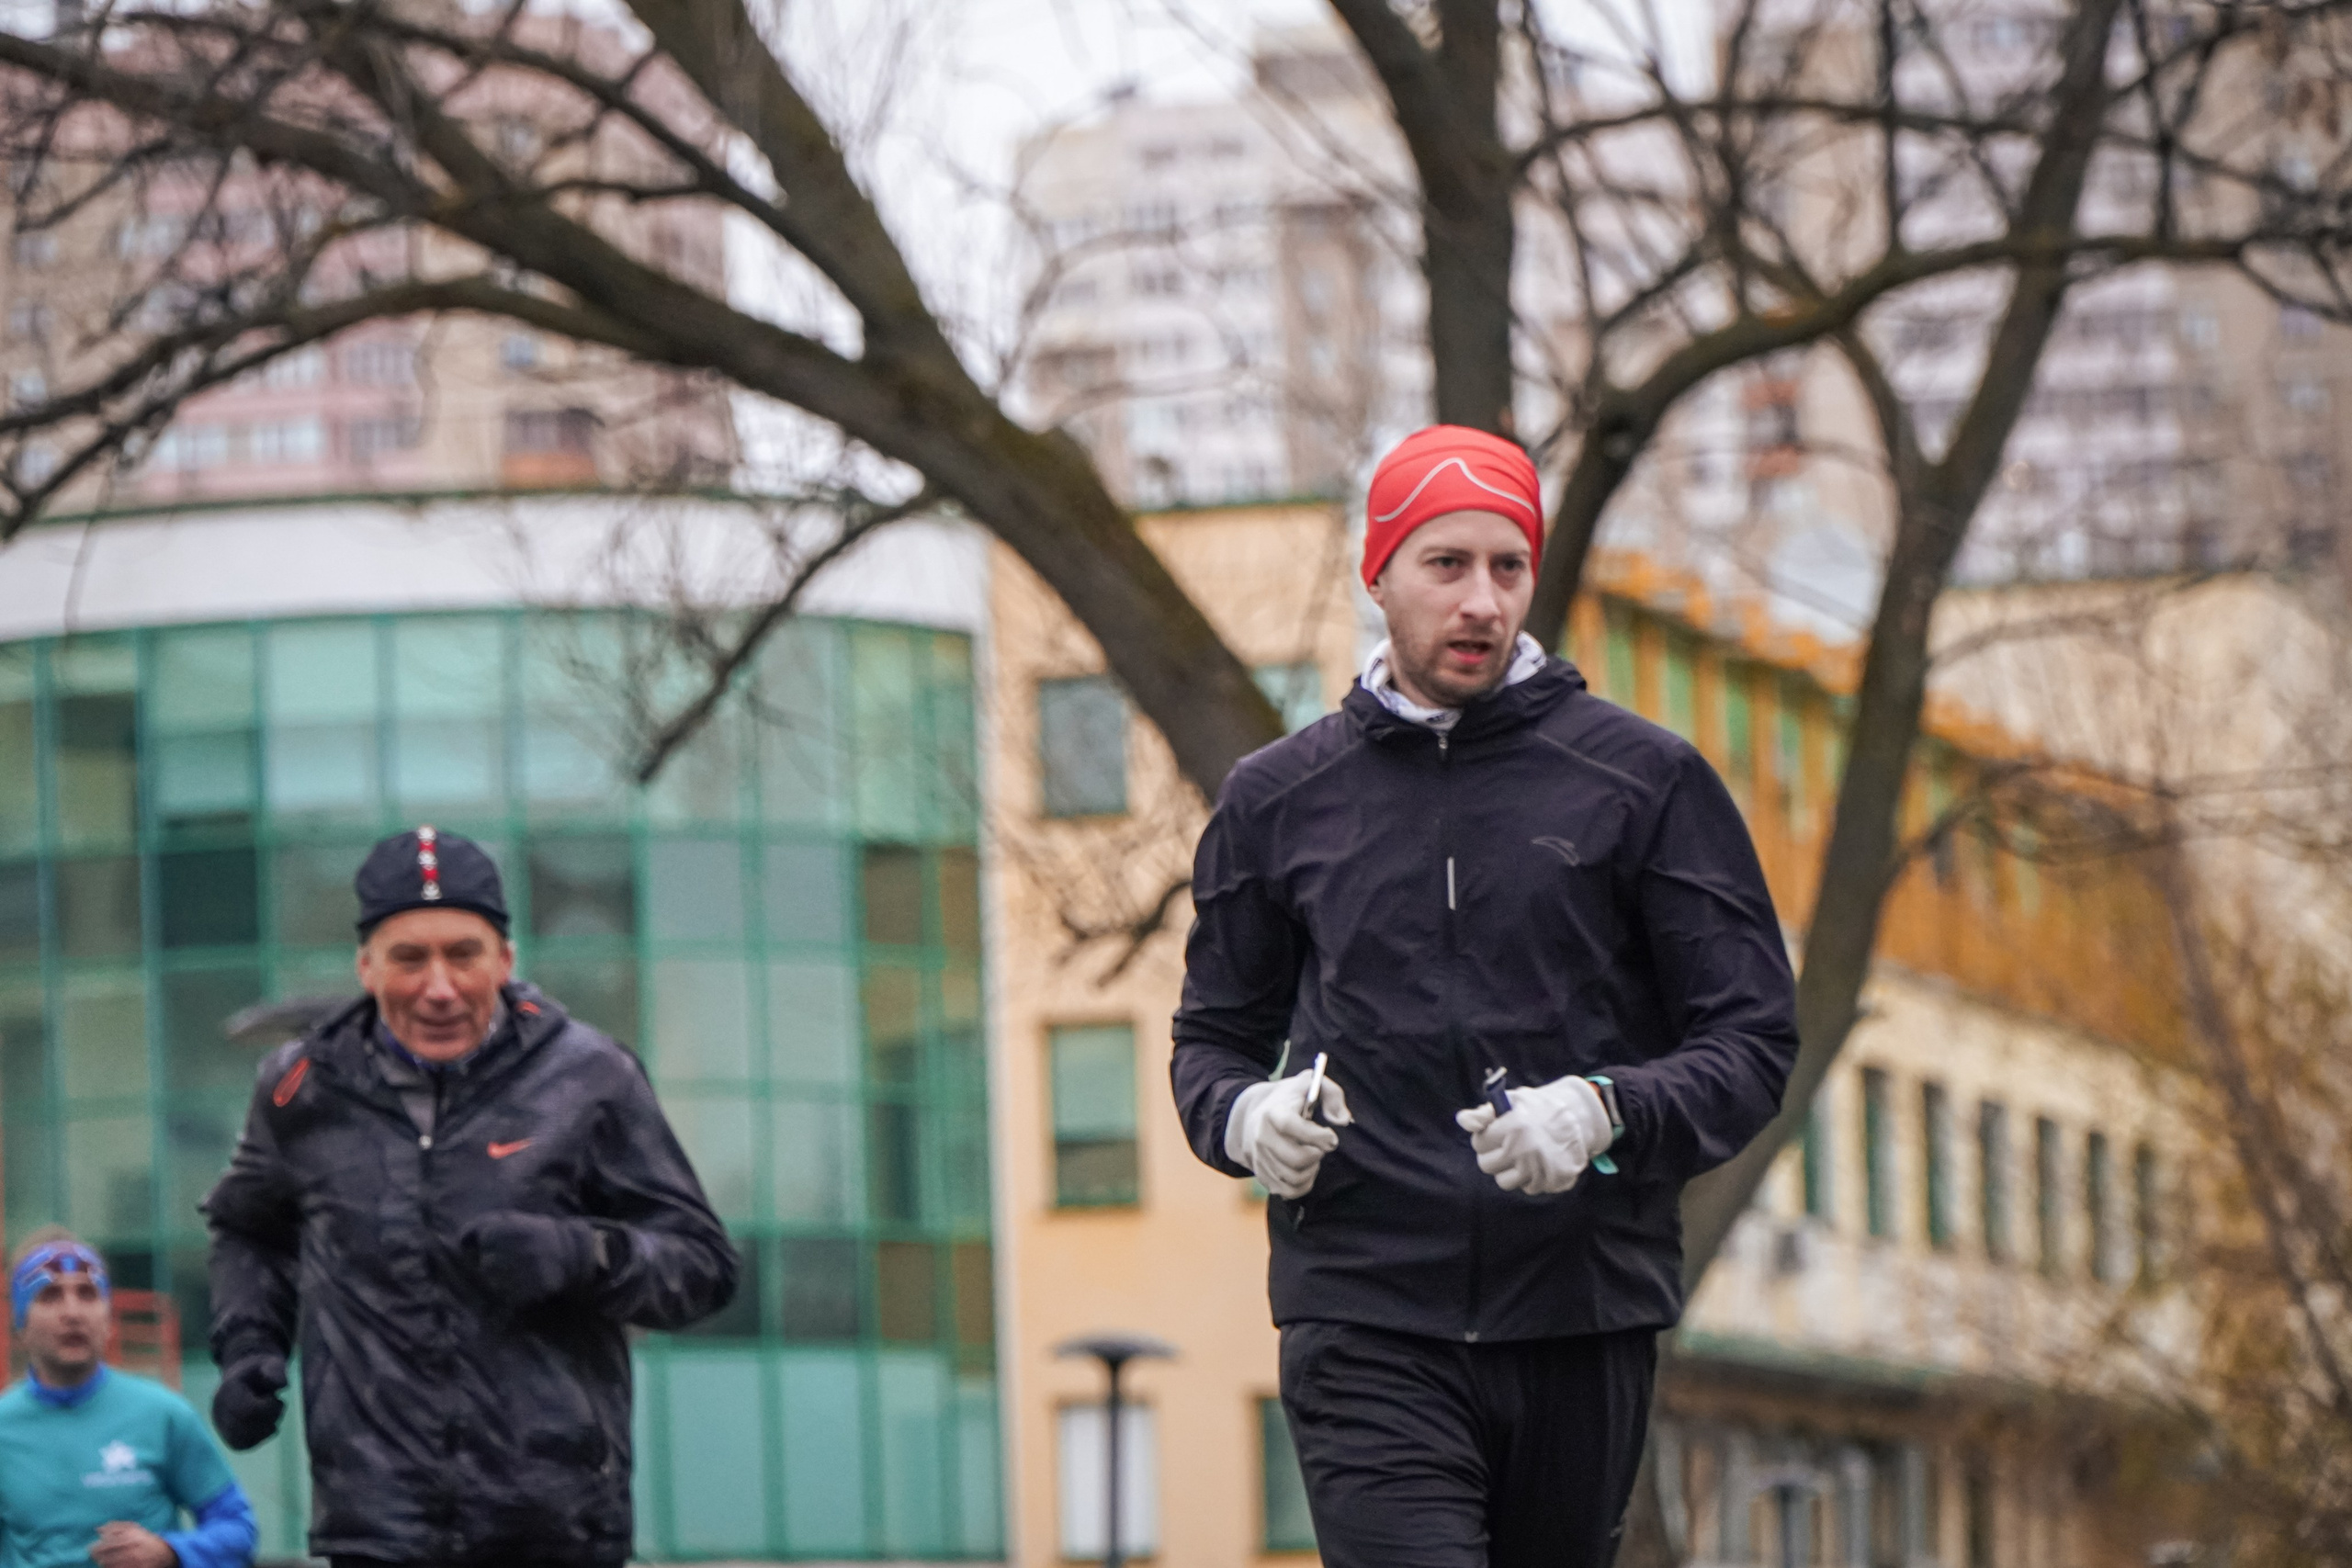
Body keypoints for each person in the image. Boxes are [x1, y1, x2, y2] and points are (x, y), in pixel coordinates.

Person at [1171, 424, 1801, 1568]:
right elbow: (1211, 1039)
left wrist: (1606, 1112)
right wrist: (1242, 1121)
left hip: (1579, 1314)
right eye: (1445, 564)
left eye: (1507, 567)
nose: (1480, 601)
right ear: (1379, 575)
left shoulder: (1643, 782)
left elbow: (1753, 1038)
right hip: (1364, 1313)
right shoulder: (1278, 800)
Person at [203, 827, 739, 1568]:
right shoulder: (299, 1089)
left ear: (506, 959)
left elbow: (704, 1267)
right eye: (409, 957)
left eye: (463, 952)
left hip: (554, 1522)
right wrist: (248, 1346)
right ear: (366, 965)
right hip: (376, 1522)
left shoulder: (590, 1077)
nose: (440, 986)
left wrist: (580, 1252)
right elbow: (247, 1229)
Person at [0, 1229, 259, 1568]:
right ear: (20, 1321)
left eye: (88, 1293)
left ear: (108, 1316)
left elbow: (239, 1529)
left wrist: (171, 1552)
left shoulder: (163, 1414)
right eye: (50, 1296)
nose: (73, 1312)